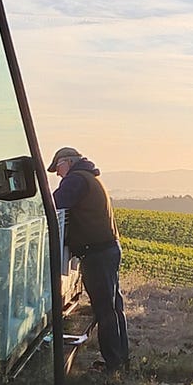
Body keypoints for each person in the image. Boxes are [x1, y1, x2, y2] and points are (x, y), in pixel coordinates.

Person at [49, 145, 129, 372]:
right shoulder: (90, 177)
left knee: (105, 310)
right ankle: (121, 360)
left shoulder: (75, 180)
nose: (57, 173)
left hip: (97, 253)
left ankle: (113, 365)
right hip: (107, 250)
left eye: (58, 167)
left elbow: (52, 204)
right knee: (113, 307)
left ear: (69, 162)